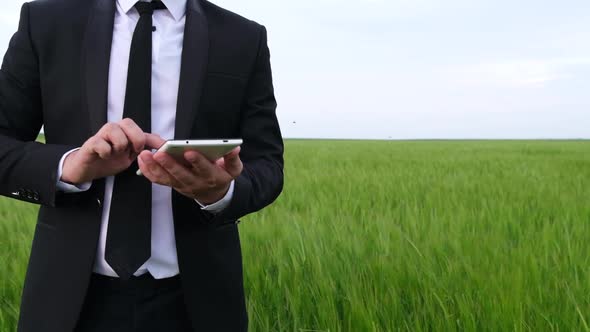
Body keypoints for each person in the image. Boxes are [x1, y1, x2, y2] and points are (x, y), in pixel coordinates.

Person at [0, 0, 284, 330]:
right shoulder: (46, 22)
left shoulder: (243, 37)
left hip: (198, 305)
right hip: (68, 303)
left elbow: (268, 164)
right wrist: (70, 165)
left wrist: (221, 192)